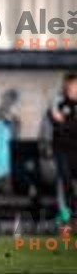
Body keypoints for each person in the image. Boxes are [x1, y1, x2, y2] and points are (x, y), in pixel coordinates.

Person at [48, 73, 77, 225]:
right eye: (69, 87)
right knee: (64, 181)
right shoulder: (60, 104)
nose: (72, 90)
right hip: (62, 151)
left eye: (74, 87)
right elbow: (54, 119)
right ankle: (66, 215)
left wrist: (65, 124)